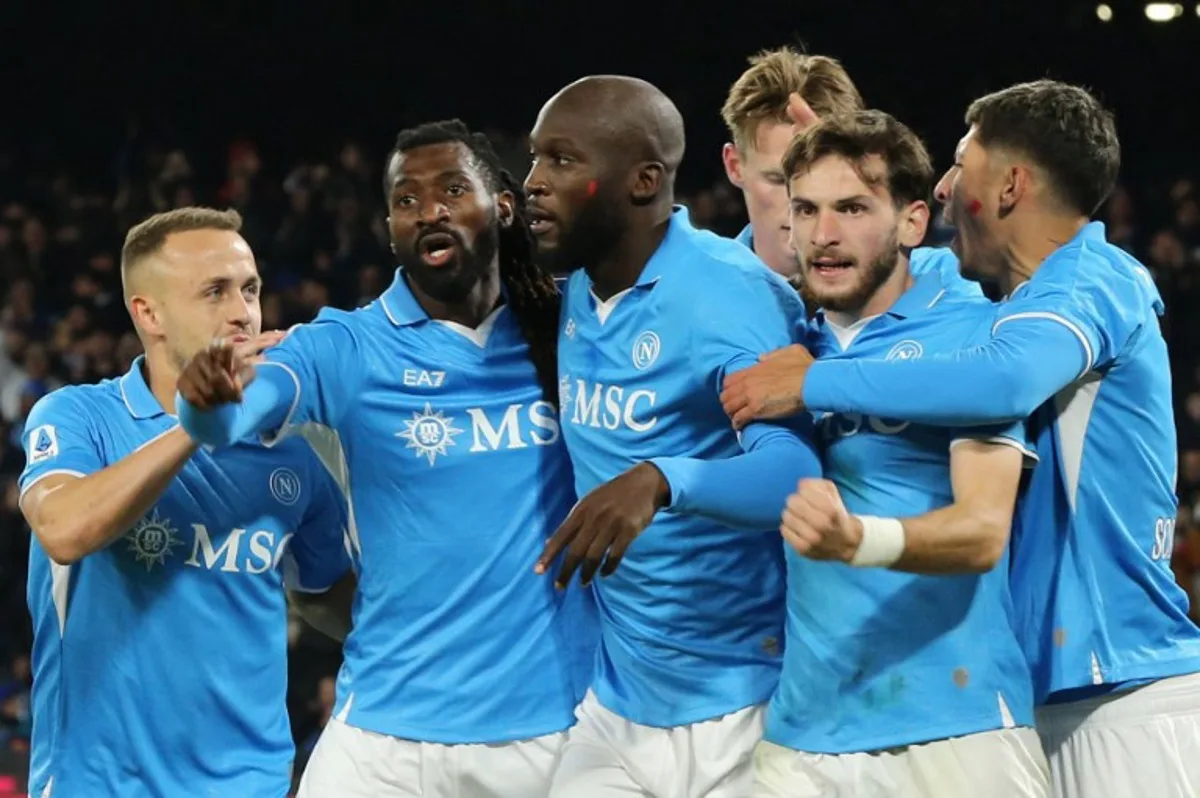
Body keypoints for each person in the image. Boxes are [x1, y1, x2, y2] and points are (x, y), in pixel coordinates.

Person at [722, 80, 1200, 797]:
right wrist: (849, 196)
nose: (945, 187)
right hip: (1042, 691)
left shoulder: (1087, 281)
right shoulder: (1007, 301)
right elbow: (909, 281)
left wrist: (814, 382)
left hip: (1123, 690)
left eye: (958, 164)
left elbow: (998, 381)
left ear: (1010, 185)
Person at [175, 120, 596, 798]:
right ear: (391, 226)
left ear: (505, 206)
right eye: (406, 200)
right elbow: (232, 412)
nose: (429, 211)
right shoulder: (349, 345)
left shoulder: (573, 324)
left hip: (553, 733)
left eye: (454, 190)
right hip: (387, 745)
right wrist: (206, 399)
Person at [525, 75, 821, 798]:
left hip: (745, 705)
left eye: (561, 161)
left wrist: (663, 480)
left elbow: (794, 474)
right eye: (534, 159)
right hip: (618, 706)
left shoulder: (726, 294)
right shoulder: (574, 290)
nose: (533, 183)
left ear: (644, 181)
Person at [754, 110, 1049, 797]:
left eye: (853, 208)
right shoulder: (782, 343)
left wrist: (856, 539)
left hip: (959, 732)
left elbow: (981, 532)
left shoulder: (972, 335)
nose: (824, 236)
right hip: (802, 740)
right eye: (807, 210)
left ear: (913, 223)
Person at [17, 207, 351, 798]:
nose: (242, 311)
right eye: (215, 291)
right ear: (149, 312)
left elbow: (326, 593)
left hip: (253, 786)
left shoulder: (291, 448)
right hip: (98, 786)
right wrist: (200, 423)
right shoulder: (79, 416)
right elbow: (64, 530)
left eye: (249, 289)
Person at [719, 46, 973, 297]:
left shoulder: (942, 279)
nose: (799, 201)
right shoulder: (699, 290)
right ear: (734, 166)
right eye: (778, 180)